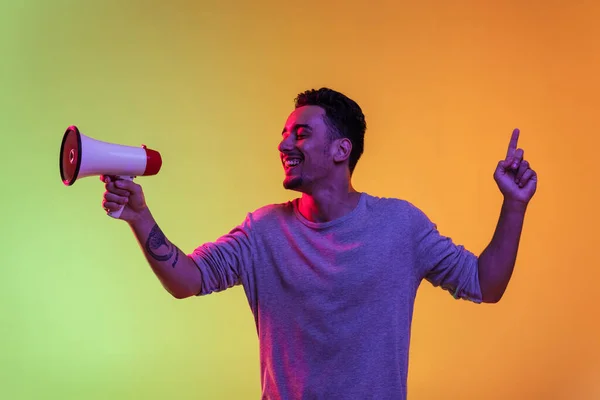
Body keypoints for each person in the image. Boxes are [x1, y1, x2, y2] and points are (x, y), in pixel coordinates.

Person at [101, 88, 538, 399]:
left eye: (301, 134)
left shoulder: (401, 226)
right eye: (286, 133)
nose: (284, 143)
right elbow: (187, 280)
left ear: (340, 150)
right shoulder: (263, 231)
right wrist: (139, 216)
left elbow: (486, 284)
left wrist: (514, 206)